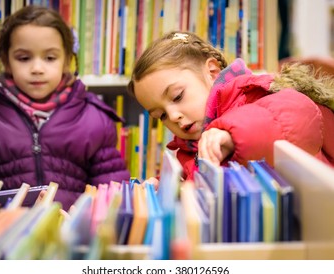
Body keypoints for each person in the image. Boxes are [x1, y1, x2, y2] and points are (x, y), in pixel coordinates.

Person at [0, 5, 130, 210]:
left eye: (50, 58)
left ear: (66, 60)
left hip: (69, 235)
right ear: (6, 60)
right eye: (24, 58)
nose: (37, 69)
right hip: (5, 235)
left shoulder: (94, 119)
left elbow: (112, 192)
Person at [127, 31, 334, 180]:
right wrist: (171, 188)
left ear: (213, 72)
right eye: (160, 115)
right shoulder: (190, 150)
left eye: (178, 96)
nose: (172, 116)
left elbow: (298, 113)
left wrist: (230, 134)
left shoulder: (253, 91)